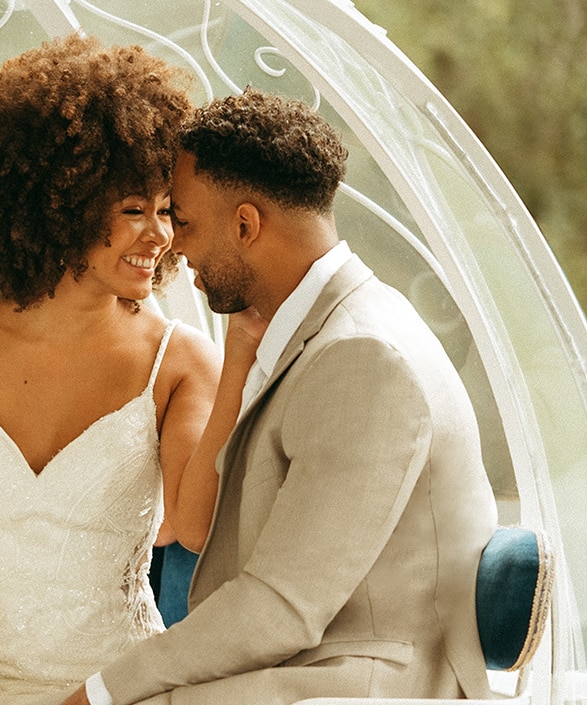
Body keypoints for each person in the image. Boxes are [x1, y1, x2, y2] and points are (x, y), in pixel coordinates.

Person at [60, 89, 497, 705]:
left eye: (183, 220)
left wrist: (99, 691)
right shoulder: (341, 324)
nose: (173, 248)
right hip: (310, 666)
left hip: (362, 683)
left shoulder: (362, 359)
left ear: (246, 223)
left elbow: (282, 606)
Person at [0, 36, 225, 705]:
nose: (158, 235)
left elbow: (190, 529)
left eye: (167, 210)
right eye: (133, 209)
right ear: (56, 200)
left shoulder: (179, 362)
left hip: (115, 689)